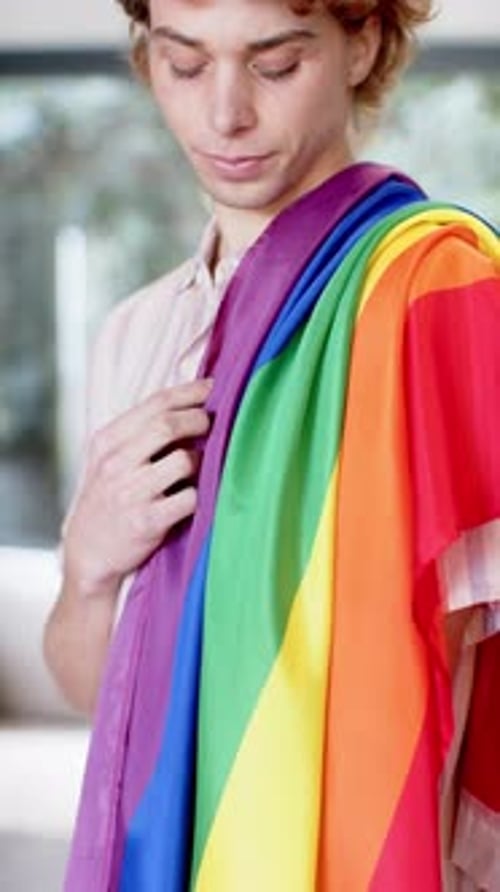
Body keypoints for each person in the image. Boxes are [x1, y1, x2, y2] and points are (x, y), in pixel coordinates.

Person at [44, 1, 500, 889]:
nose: (225, 115)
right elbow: (106, 697)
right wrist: (90, 570)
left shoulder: (442, 298)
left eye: (276, 65)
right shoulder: (136, 335)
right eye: (184, 65)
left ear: (362, 43)